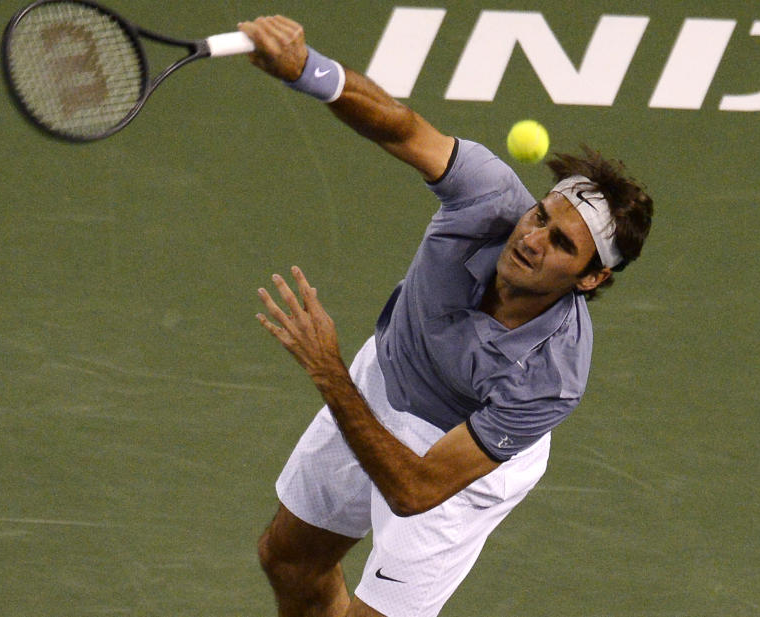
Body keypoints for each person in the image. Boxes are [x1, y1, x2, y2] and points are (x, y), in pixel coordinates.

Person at [240, 15, 653, 617]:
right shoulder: (488, 197)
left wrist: (329, 371)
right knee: (291, 561)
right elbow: (403, 127)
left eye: (562, 245)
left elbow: (415, 492)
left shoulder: (550, 378)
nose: (533, 239)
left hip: (459, 466)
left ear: (591, 279)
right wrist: (308, 69)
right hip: (383, 380)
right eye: (540, 216)